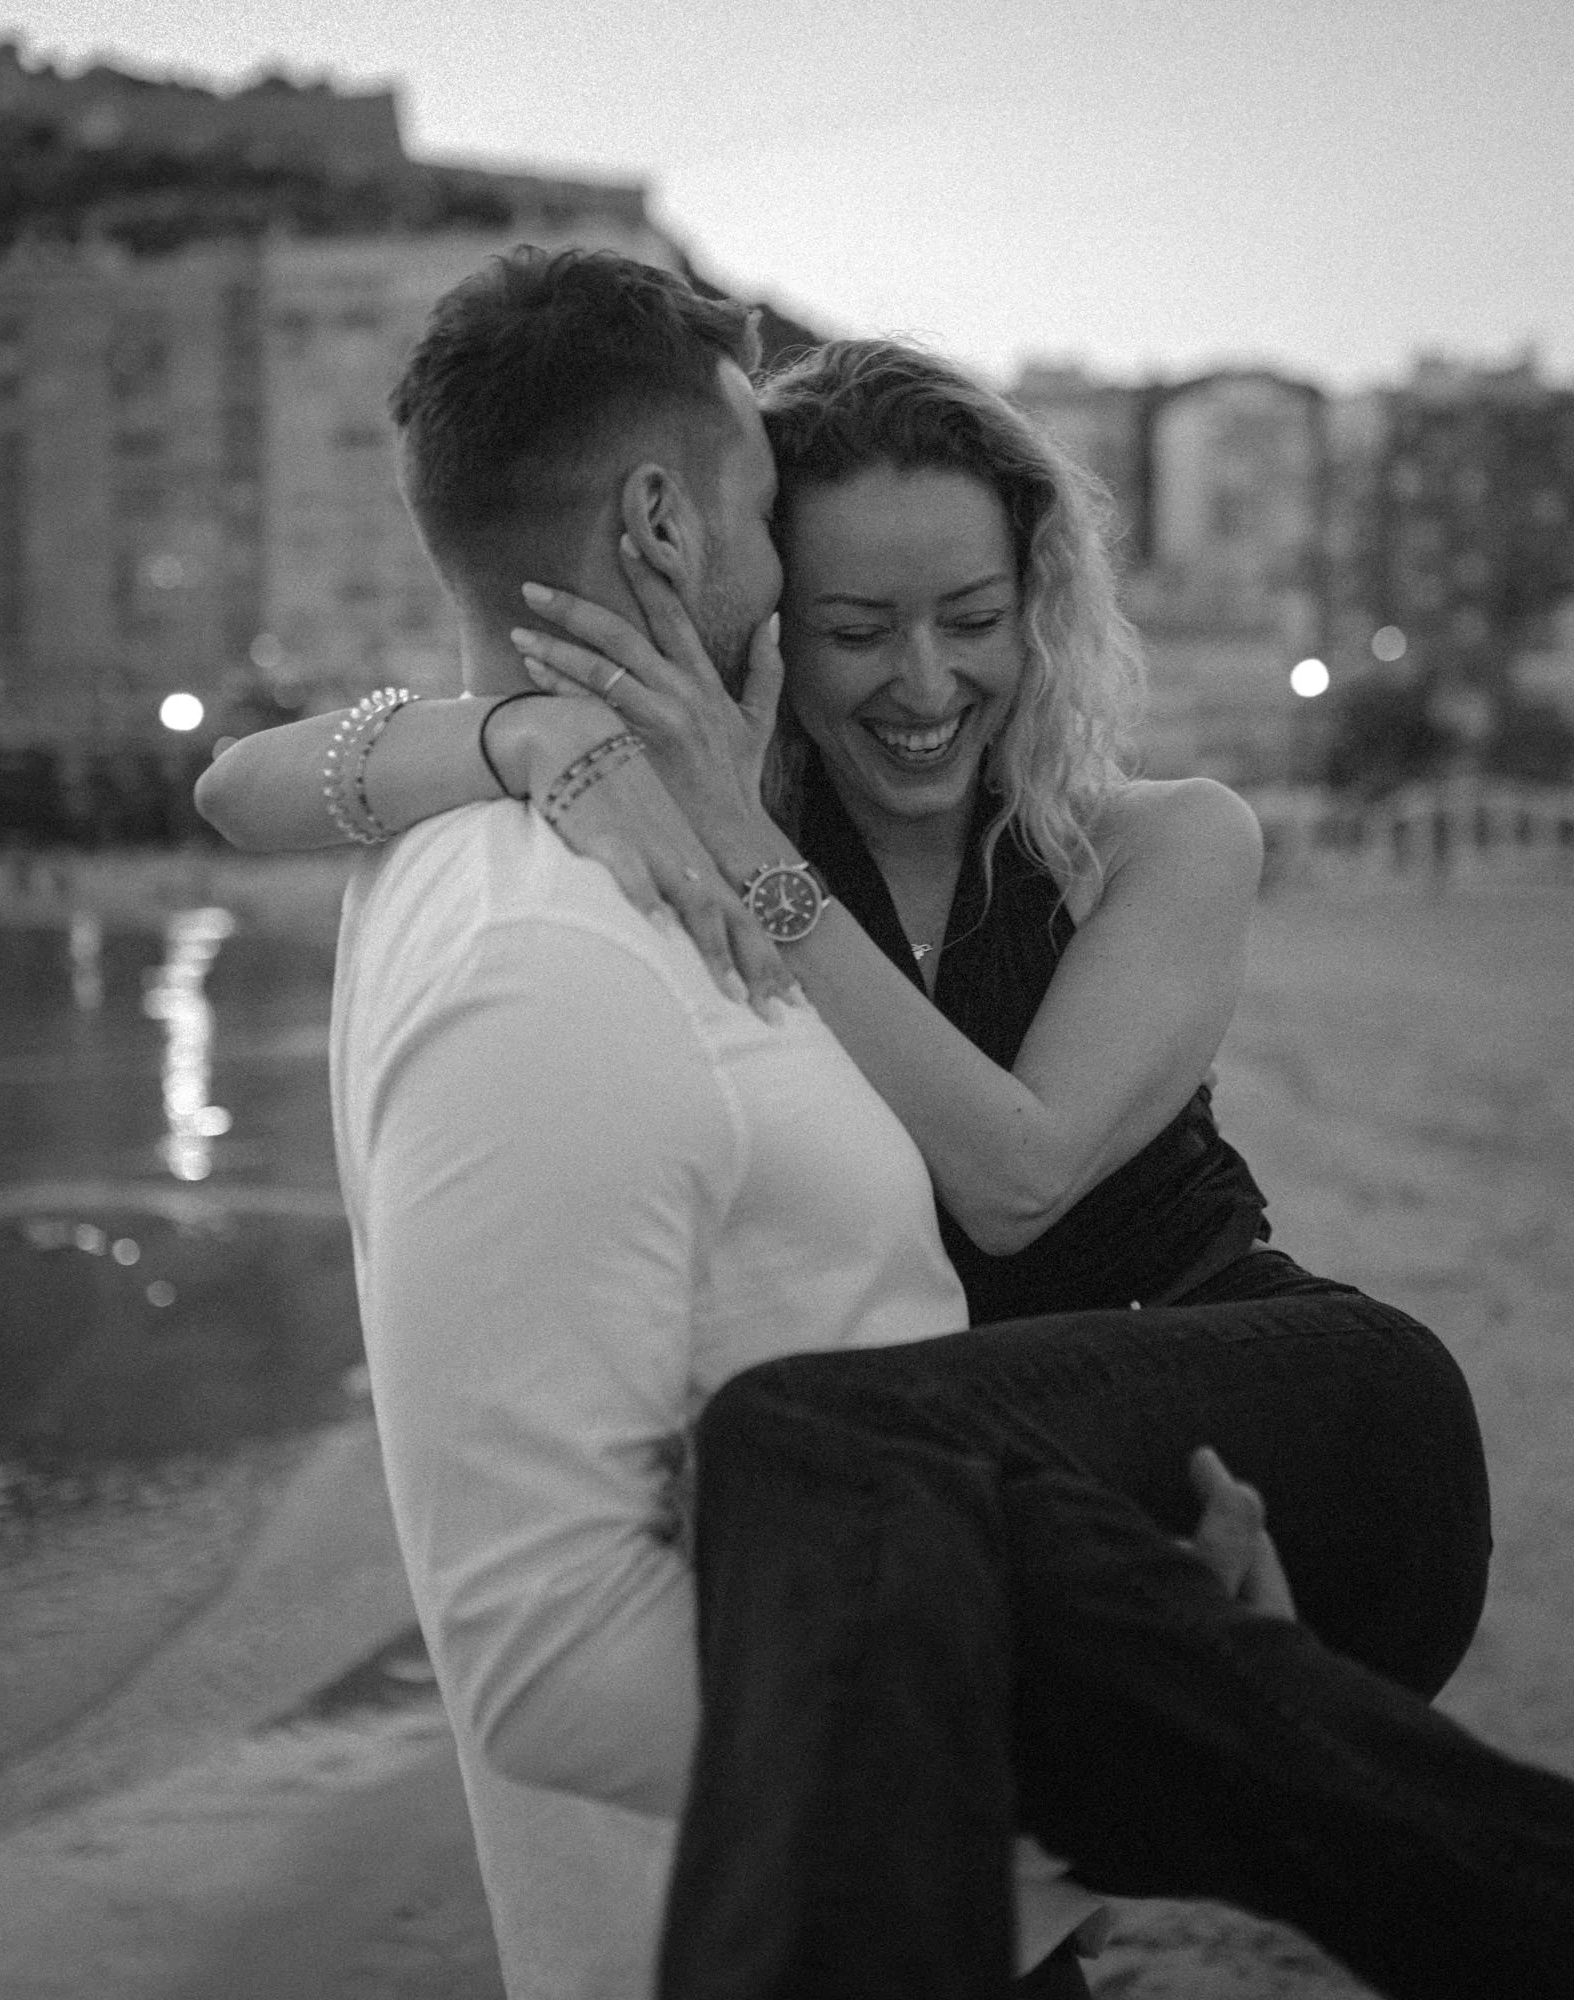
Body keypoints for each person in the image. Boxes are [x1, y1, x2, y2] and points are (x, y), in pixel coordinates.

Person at [194, 249, 1574, 1999]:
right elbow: (237, 786)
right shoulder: (693, 831)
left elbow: (1014, 1180)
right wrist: (525, 725)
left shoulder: (1162, 841)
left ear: (1038, 607)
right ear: (757, 601)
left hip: (1293, 1409)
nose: (923, 683)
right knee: (840, 1504)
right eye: (855, 630)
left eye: (975, 620)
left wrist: (736, 832)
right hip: (1052, 1550)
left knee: (800, 1453)